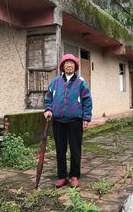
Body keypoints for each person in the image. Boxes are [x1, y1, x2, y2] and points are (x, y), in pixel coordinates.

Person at [44, 54, 92, 188]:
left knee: (75, 149)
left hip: (75, 121)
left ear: (75, 67)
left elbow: (87, 100)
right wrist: (48, 109)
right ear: (63, 66)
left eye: (72, 63)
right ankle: (61, 176)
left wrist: (86, 117)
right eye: (67, 63)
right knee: (60, 149)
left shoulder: (81, 82)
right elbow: (49, 98)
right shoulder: (55, 82)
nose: (69, 65)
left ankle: (74, 176)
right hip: (58, 120)